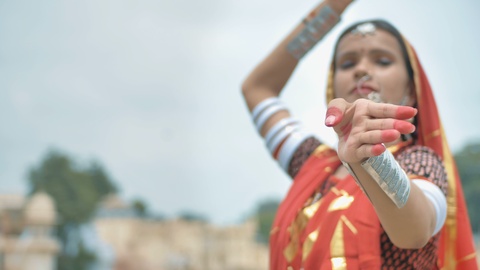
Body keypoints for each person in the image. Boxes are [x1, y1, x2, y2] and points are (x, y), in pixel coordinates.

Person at [241, 0, 478, 269]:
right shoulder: (313, 163)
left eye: (383, 60)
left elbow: (414, 232)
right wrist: (331, 8)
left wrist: (369, 159)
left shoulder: (421, 162)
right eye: (347, 63)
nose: (361, 70)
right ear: (333, 90)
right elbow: (257, 89)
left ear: (412, 90)